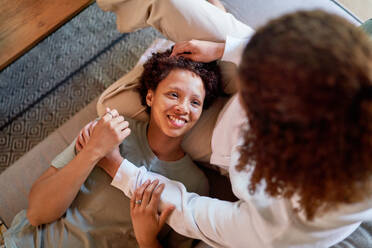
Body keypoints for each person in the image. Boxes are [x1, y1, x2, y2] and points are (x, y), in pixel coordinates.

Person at [95, 0, 372, 247]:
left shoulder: (286, 228)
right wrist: (226, 48)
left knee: (113, 105)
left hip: (221, 138)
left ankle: (185, 64)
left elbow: (192, 212)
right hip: (254, 69)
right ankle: (196, 53)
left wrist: (119, 170)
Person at [3, 50, 223, 248]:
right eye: (173, 94)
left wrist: (147, 239)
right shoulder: (110, 128)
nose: (183, 108)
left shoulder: (194, 185)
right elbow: (36, 214)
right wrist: (93, 152)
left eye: (195, 102)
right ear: (150, 96)